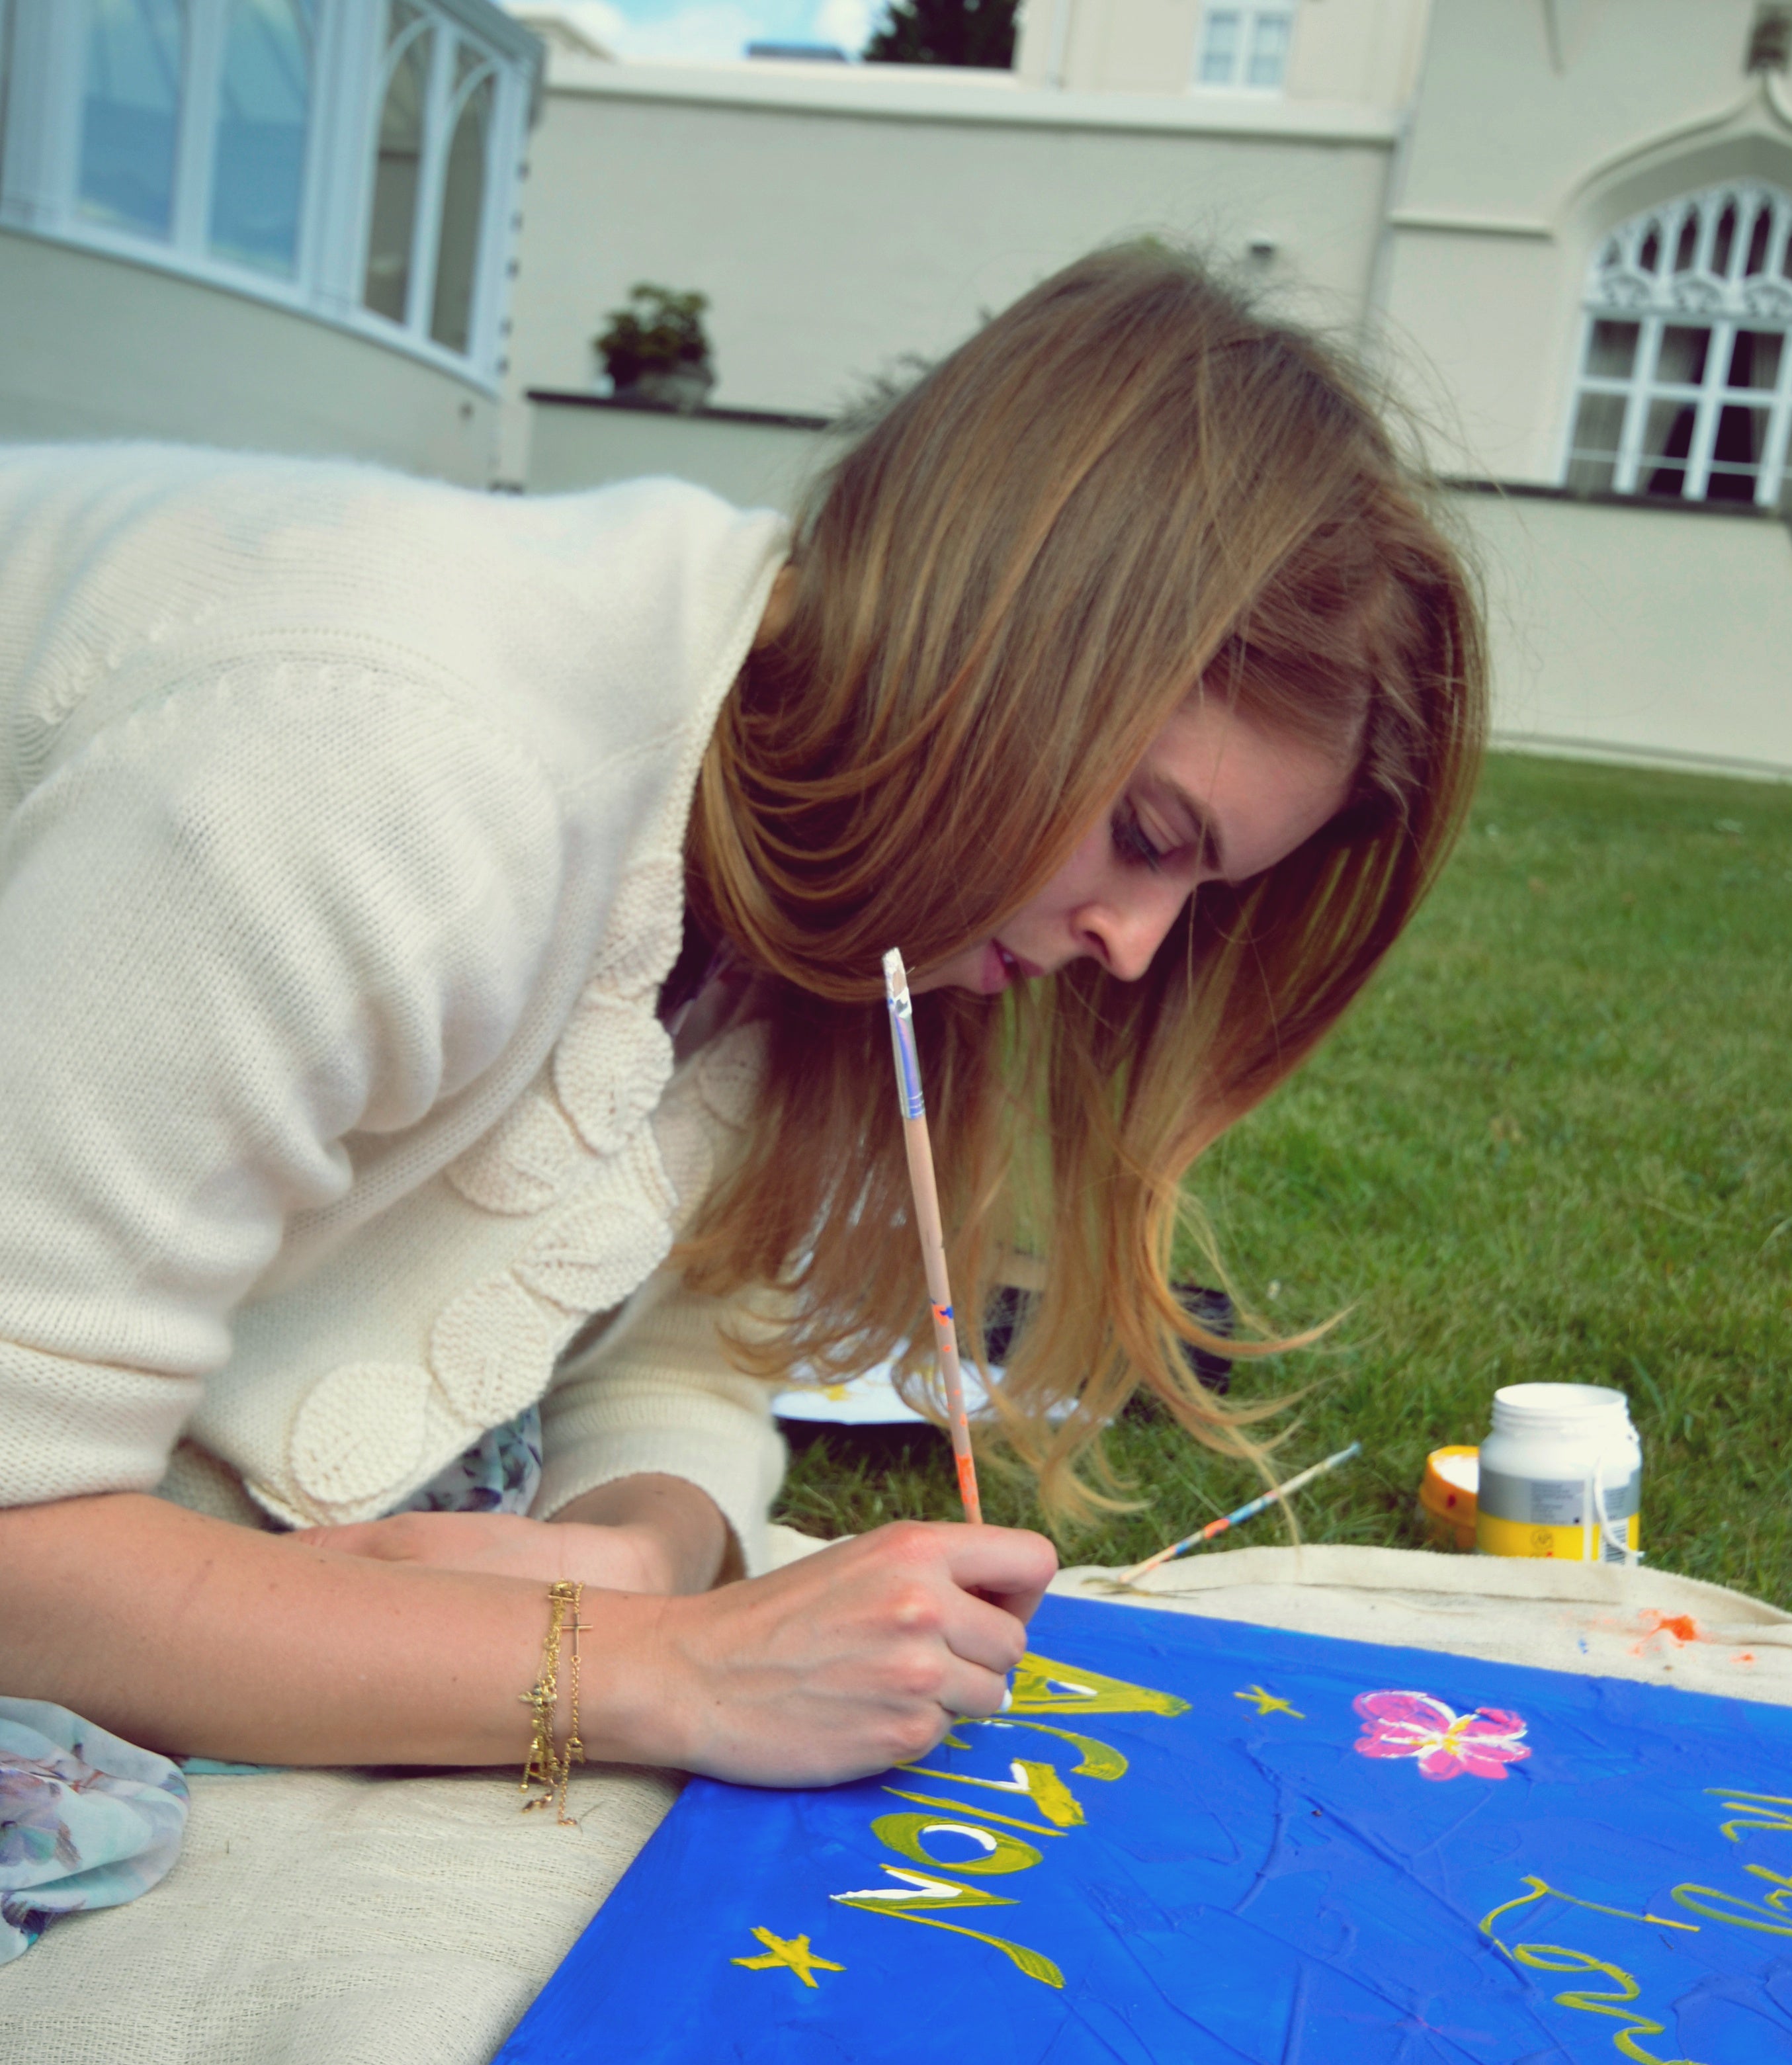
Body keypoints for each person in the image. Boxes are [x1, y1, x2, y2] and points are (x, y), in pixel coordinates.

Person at [0, 246, 1486, 1792]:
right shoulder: (382, 779)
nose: (1135, 948)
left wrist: (636, 1558)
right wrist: (666, 1669)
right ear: (998, 657)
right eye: (1147, 831)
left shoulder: (854, 907)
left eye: (1203, 890)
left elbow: (686, 1360)